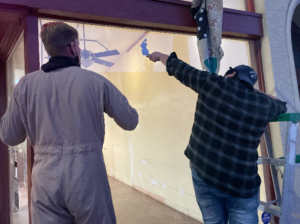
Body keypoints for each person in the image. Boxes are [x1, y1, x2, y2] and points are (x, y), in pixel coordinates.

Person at [0, 22, 138, 224]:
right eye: (79, 45)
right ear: (73, 47)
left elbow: (9, 136)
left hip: (45, 177)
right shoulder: (96, 82)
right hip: (88, 174)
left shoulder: (25, 87)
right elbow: (130, 121)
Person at [147, 51, 287, 224]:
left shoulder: (213, 83)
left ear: (232, 74)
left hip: (206, 174)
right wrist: (255, 92)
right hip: (241, 183)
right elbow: (281, 104)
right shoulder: (263, 104)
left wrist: (159, 55)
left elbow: (180, 68)